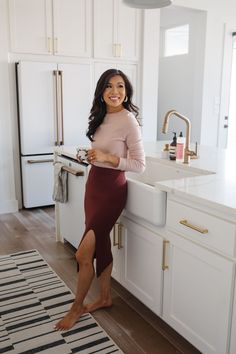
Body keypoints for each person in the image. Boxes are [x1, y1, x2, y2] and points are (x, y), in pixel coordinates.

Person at [55, 68, 145, 330]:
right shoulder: (101, 116)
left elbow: (140, 165)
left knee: (83, 255)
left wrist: (107, 158)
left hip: (111, 192)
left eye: (120, 86)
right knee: (101, 244)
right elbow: (101, 152)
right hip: (93, 186)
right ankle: (105, 297)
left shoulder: (129, 121)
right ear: (101, 92)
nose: (114, 92)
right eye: (108, 86)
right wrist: (93, 156)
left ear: (126, 92)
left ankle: (75, 308)